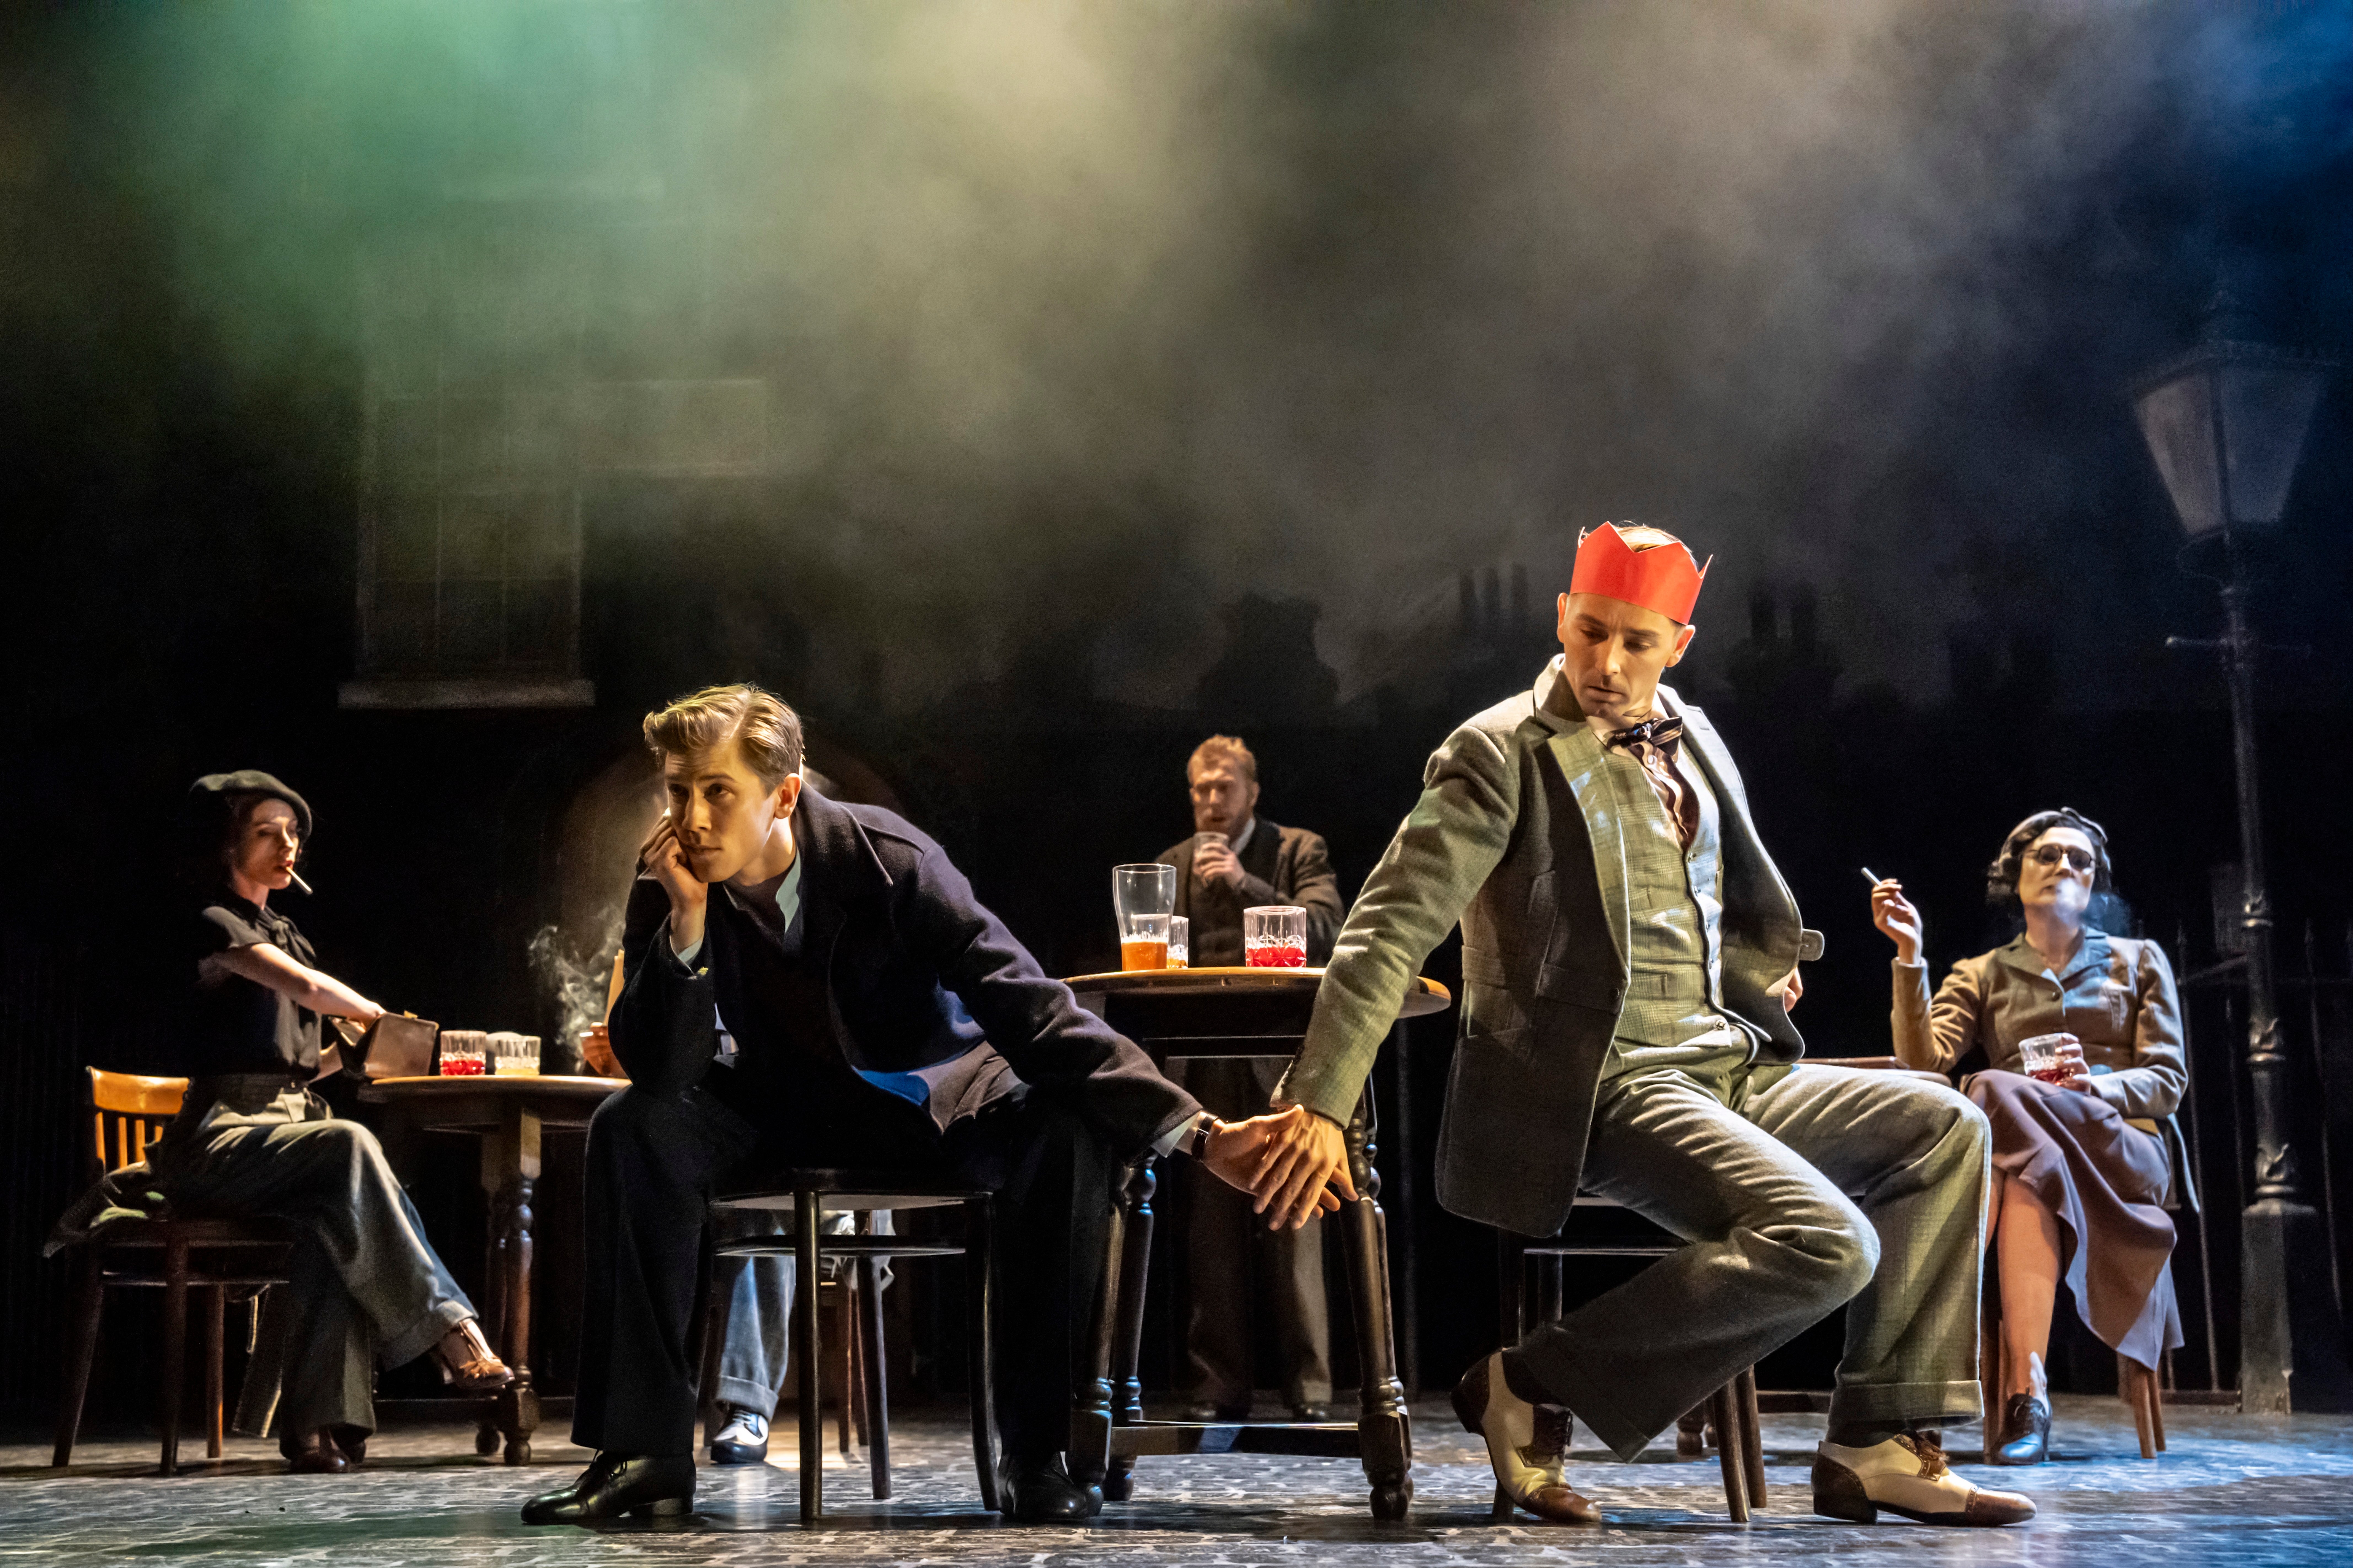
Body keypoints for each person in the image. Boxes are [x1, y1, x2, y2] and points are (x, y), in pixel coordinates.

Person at [1242, 523, 2035, 1527]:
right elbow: (1385, 928)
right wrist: (1319, 1095)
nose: (1607, 666)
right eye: (1589, 635)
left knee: (1945, 1123)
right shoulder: (1497, 752)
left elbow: (1712, 894)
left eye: (1636, 644)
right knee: (1828, 1238)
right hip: (1599, 1087)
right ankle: (1529, 1382)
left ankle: (1875, 1438)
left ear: (1679, 646)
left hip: (1727, 1063)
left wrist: (1756, 969)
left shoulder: (1693, 732)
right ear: (1561, 620)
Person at [524, 685, 1327, 1526]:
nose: (690, 815)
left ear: (783, 795)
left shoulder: (888, 859)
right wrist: (685, 927)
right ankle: (644, 1453)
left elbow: (1032, 1008)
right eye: (678, 789)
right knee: (631, 1127)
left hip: (923, 1108)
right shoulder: (669, 878)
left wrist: (1198, 1134)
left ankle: (1038, 1453)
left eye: (716, 791)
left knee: (1061, 1129)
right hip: (774, 1108)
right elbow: (656, 1070)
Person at [146, 771, 508, 1473]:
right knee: (348, 1145)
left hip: (287, 1126)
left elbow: (300, 1064)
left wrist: (362, 1054)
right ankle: (451, 1330)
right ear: (225, 844)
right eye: (266, 831)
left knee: (332, 1222)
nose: (289, 844)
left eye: (294, 832)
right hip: (221, 1135)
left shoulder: (289, 935)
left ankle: (318, 1428)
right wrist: (374, 1014)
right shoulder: (214, 923)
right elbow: (308, 992)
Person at [1872, 810, 2186, 1465]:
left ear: (2095, 884)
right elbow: (1921, 1064)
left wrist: (2095, 1088)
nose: (2065, 867)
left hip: (2121, 1149)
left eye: (2080, 860)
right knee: (2024, 1181)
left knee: (1988, 1089)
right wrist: (1910, 959)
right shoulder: (1981, 972)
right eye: (2047, 856)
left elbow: (2168, 1080)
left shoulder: (2138, 961)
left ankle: (1916, 1368)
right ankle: (2029, 1397)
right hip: (2030, 1157)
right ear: (2014, 878)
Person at [1154, 735, 1344, 1422]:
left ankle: (1311, 1389)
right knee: (1210, 1238)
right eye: (1200, 789)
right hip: (1203, 1065)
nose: (1210, 800)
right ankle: (1217, 1387)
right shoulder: (1171, 865)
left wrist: (1244, 886)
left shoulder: (1298, 850)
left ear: (1251, 792)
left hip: (1286, 1064)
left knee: (1297, 1220)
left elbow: (1332, 931)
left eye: (1222, 787)